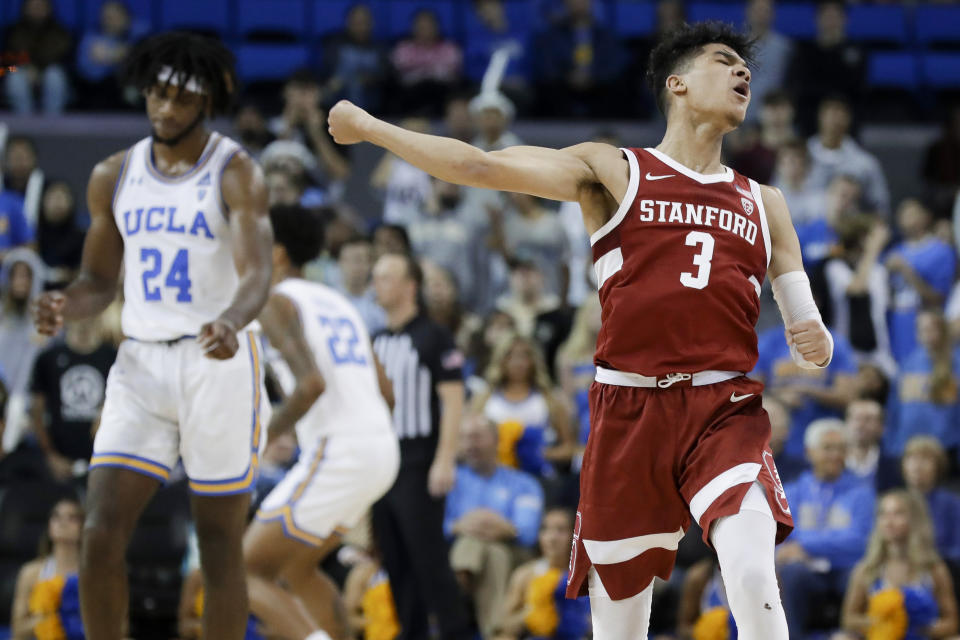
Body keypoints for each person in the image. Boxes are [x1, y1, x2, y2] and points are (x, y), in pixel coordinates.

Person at [328, 20, 839, 638]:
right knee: (619, 625)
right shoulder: (616, 169)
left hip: (722, 407)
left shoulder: (764, 200)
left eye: (746, 67)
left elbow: (800, 308)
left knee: (754, 575)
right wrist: (369, 128)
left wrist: (813, 336)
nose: (743, 73)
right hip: (628, 410)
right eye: (724, 61)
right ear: (676, 84)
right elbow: (481, 166)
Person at [30, 33, 274, 640]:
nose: (165, 110)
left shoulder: (236, 171)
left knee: (218, 542)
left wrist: (232, 321)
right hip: (139, 365)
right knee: (99, 530)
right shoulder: (113, 174)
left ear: (208, 100)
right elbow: (98, 279)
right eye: (156, 95)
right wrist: (66, 301)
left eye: (179, 99)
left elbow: (258, 273)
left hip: (215, 362)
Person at [243, 204, 399, 640]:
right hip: (381, 448)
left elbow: (310, 385)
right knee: (296, 566)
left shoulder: (276, 301)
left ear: (276, 253)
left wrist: (259, 440)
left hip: (341, 449)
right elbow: (387, 391)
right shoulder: (340, 303)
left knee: (244, 572)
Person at [369, 252, 474, 640]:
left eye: (386, 277)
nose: (376, 283)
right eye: (375, 277)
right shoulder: (376, 340)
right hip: (382, 462)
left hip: (419, 458)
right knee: (394, 558)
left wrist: (444, 459)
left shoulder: (434, 335)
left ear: (410, 286)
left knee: (428, 557)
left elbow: (453, 400)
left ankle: (455, 631)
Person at [445, 413, 545, 637]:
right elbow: (437, 526)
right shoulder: (451, 480)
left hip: (514, 552)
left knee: (488, 547)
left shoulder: (523, 483)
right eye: (465, 438)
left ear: (496, 440)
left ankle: (461, 578)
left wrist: (502, 527)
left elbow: (527, 534)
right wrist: (458, 526)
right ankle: (496, 632)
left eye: (477, 437)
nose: (470, 444)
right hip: (477, 553)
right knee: (491, 553)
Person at [778, 419, 876, 639]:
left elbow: (860, 541)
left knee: (862, 576)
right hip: (803, 569)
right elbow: (782, 537)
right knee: (791, 573)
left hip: (846, 568)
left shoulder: (862, 492)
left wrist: (804, 544)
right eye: (827, 448)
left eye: (841, 448)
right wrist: (834, 542)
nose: (835, 455)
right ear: (809, 452)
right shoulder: (792, 492)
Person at [835, 490, 958, 640]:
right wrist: (882, 622)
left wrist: (920, 627)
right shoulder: (866, 569)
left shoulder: (934, 568)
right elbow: (848, 619)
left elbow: (952, 622)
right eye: (883, 514)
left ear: (914, 520)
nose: (889, 521)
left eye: (898, 514)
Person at [471, 332, 575, 479]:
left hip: (538, 477)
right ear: (500, 360)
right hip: (493, 477)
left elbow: (569, 448)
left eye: (524, 356)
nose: (517, 362)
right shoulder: (484, 398)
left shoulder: (549, 399)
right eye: (510, 355)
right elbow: (468, 442)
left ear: (533, 361)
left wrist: (539, 453)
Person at [29, 316, 116, 483]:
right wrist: (50, 456)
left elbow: (126, 404)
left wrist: (106, 413)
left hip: (103, 461)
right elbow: (36, 412)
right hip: (59, 460)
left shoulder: (112, 357)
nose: (83, 317)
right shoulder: (48, 358)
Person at [492, 508, 591, 640]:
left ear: (575, 535)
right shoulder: (526, 574)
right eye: (545, 529)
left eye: (560, 530)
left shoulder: (586, 576)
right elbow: (503, 624)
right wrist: (530, 614)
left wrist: (572, 618)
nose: (552, 537)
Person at [887, 199, 957, 364]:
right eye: (902, 214)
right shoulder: (893, 252)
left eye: (912, 213)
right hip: (896, 327)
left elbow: (938, 298)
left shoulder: (941, 251)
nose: (906, 218)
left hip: (925, 326)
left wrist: (906, 270)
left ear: (926, 217)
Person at [532, 0, 623, 118]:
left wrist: (593, 76)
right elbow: (546, 64)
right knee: (548, 88)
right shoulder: (552, 35)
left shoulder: (605, 35)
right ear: (566, 4)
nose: (578, 4)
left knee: (616, 88)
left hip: (599, 85)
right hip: (563, 85)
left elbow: (614, 64)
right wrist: (568, 76)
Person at [11, 497, 85, 640]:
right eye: (56, 517)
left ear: (83, 527)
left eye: (72, 518)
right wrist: (50, 617)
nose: (63, 522)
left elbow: (118, 627)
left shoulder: (96, 575)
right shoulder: (31, 572)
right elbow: (17, 631)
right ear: (49, 526)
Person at [806, 96, 890, 217]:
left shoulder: (865, 164)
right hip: (801, 230)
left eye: (839, 115)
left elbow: (880, 207)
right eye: (829, 114)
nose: (834, 121)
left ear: (848, 119)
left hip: (851, 230)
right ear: (820, 117)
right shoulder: (799, 158)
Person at [2, 0, 72, 115]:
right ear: (25, 8)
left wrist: (40, 70)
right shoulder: (12, 31)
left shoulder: (60, 31)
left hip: (49, 71)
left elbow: (65, 59)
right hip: (21, 70)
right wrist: (26, 67)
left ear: (48, 9)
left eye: (40, 6)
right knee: (14, 74)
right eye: (33, 6)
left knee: (54, 75)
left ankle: (52, 124)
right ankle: (25, 124)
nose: (37, 9)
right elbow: (6, 61)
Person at [389, 9, 463, 116]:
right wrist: (429, 71)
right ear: (414, 28)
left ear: (437, 27)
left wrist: (422, 71)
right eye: (421, 27)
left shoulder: (449, 48)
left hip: (440, 92)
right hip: (411, 93)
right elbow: (400, 73)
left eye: (429, 26)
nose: (425, 30)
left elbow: (451, 74)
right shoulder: (403, 48)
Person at [901, 436, 960, 567]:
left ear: (938, 466)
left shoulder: (951, 504)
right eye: (911, 458)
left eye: (925, 459)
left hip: (942, 570)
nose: (917, 465)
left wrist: (932, 559)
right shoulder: (894, 501)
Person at [319, 3, 387, 112]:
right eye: (356, 23)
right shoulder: (335, 44)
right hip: (338, 97)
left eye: (364, 23)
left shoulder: (380, 47)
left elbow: (386, 74)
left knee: (355, 81)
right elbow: (329, 71)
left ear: (371, 24)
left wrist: (369, 78)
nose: (360, 27)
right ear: (348, 23)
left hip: (371, 99)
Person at [76, 0, 141, 110]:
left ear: (126, 17)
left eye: (115, 17)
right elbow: (86, 69)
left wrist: (111, 55)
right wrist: (117, 55)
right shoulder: (91, 38)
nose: (110, 21)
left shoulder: (136, 35)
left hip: (125, 89)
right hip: (97, 88)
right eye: (107, 17)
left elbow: (138, 55)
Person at [36, 180, 86, 288]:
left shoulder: (81, 238)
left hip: (70, 292)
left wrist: (70, 275)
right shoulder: (33, 236)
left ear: (71, 202)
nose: (57, 203)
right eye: (53, 198)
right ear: (43, 202)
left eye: (62, 197)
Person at [844, 399, 900, 493]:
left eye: (868, 420)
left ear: (882, 427)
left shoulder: (894, 467)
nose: (860, 425)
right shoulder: (833, 461)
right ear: (846, 423)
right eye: (856, 418)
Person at [336, 234, 386, 334]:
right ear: (340, 263)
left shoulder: (383, 300)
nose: (354, 266)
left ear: (370, 264)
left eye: (359, 260)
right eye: (349, 260)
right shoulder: (330, 299)